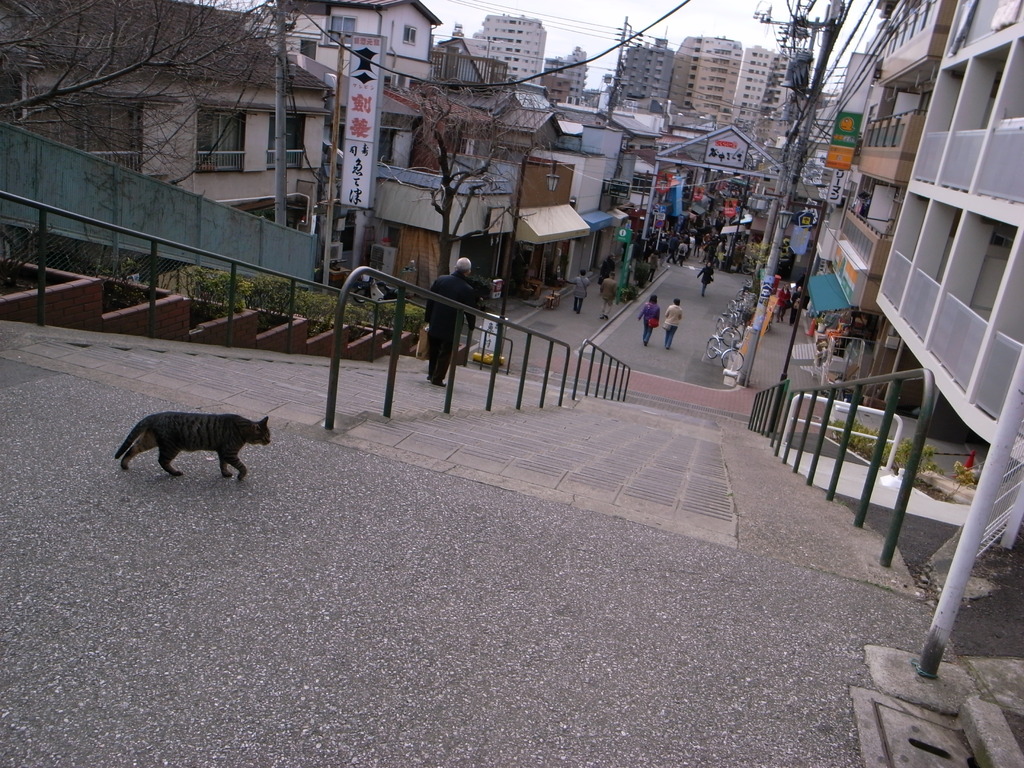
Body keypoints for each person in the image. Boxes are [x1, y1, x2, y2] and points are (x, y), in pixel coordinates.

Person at [424, 257, 477, 387]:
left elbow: (430, 300)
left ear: (455, 268)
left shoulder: (441, 280)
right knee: (445, 352)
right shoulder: (467, 289)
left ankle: (431, 374)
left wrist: (427, 318)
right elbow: (470, 310)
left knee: (434, 349)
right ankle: (437, 378)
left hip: (435, 320)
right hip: (452, 325)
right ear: (468, 271)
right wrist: (471, 325)